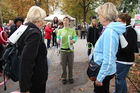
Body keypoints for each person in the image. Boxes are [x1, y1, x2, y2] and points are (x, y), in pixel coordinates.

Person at [92, 2, 126, 93]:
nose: (98, 17)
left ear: (104, 16)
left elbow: (109, 59)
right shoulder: (108, 29)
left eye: (99, 15)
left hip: (103, 72)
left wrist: (100, 78)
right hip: (104, 70)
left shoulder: (110, 32)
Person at [17, 6, 48, 93]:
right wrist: (25, 88)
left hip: (32, 78)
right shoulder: (34, 33)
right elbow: (26, 61)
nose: (44, 22)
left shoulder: (24, 28)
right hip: (35, 81)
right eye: (43, 19)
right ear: (38, 19)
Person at [114, 13, 138, 93]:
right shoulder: (126, 30)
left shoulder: (130, 31)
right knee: (121, 78)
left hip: (124, 60)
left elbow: (128, 48)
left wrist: (117, 51)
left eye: (119, 21)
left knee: (119, 79)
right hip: (122, 59)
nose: (117, 23)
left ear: (124, 21)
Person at [57, 16, 77, 84]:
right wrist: (58, 40)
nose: (65, 22)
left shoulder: (72, 30)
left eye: (67, 20)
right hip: (63, 51)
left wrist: (73, 40)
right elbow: (58, 38)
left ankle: (70, 77)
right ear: (63, 22)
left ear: (69, 22)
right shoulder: (60, 30)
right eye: (64, 20)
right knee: (63, 65)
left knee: (70, 65)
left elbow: (75, 38)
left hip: (70, 51)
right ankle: (64, 77)